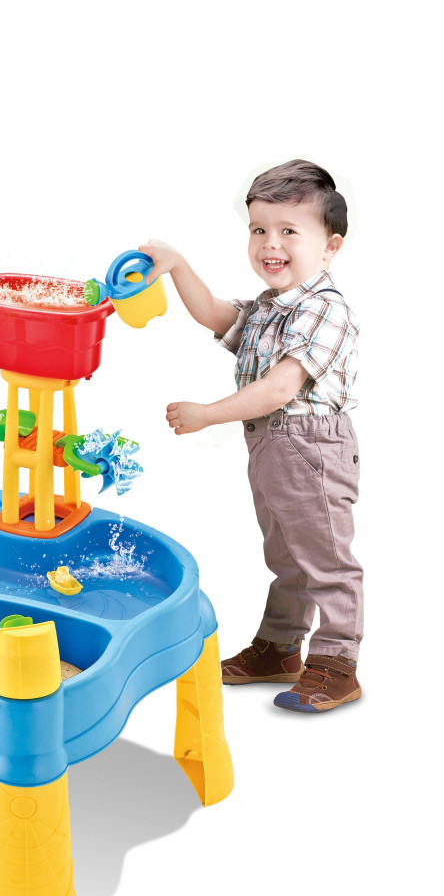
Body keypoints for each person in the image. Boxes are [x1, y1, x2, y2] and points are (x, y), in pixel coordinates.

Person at [141, 159, 362, 713]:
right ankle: (280, 647)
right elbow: (214, 313)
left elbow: (279, 388)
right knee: (286, 554)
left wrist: (208, 414)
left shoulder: (324, 310)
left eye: (289, 231)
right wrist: (177, 265)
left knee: (326, 560)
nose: (271, 244)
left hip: (311, 447)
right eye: (259, 229)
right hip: (271, 449)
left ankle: (337, 661)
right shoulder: (268, 308)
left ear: (330, 247)